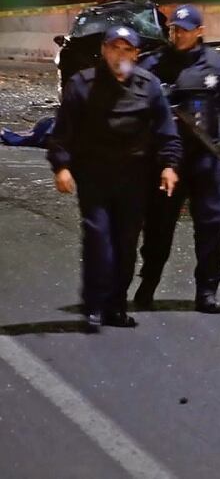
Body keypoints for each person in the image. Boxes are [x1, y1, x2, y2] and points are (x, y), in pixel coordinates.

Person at [47, 26, 181, 333]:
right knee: (98, 240)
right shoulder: (82, 85)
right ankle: (94, 305)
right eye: (114, 48)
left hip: (133, 178)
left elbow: (166, 131)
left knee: (126, 244)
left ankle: (115, 306)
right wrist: (61, 166)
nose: (119, 55)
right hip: (94, 176)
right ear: (104, 51)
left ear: (135, 54)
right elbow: (62, 132)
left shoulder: (148, 86)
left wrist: (169, 165)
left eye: (126, 49)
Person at [136, 5, 220, 314]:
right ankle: (148, 284)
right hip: (166, 163)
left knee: (211, 226)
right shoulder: (153, 64)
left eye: (184, 30)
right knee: (158, 228)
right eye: (173, 29)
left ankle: (207, 292)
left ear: (199, 32)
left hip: (205, 159)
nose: (177, 35)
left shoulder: (218, 65)